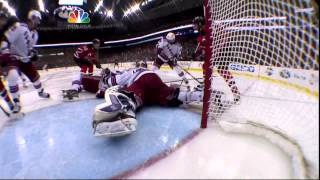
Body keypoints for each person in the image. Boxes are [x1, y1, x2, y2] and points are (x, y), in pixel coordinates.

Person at [91, 61, 204, 137]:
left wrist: (101, 91)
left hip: (142, 81)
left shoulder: (125, 73)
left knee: (132, 95)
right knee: (170, 95)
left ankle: (127, 114)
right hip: (154, 79)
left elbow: (114, 83)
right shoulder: (144, 70)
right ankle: (199, 95)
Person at [0, 10, 50, 113]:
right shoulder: (19, 27)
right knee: (12, 75)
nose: (38, 22)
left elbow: (30, 47)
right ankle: (16, 102)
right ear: (31, 18)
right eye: (37, 20)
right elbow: (6, 38)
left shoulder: (35, 34)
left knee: (36, 78)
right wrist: (5, 52)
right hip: (14, 57)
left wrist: (33, 53)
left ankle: (41, 92)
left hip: (25, 58)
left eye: (39, 20)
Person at [192, 16, 240, 102]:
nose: (193, 26)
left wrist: (213, 52)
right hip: (214, 51)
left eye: (195, 24)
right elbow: (202, 46)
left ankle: (235, 91)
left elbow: (223, 38)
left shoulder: (212, 28)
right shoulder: (201, 34)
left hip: (224, 50)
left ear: (200, 24)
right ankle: (207, 85)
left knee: (222, 70)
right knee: (205, 66)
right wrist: (197, 54)